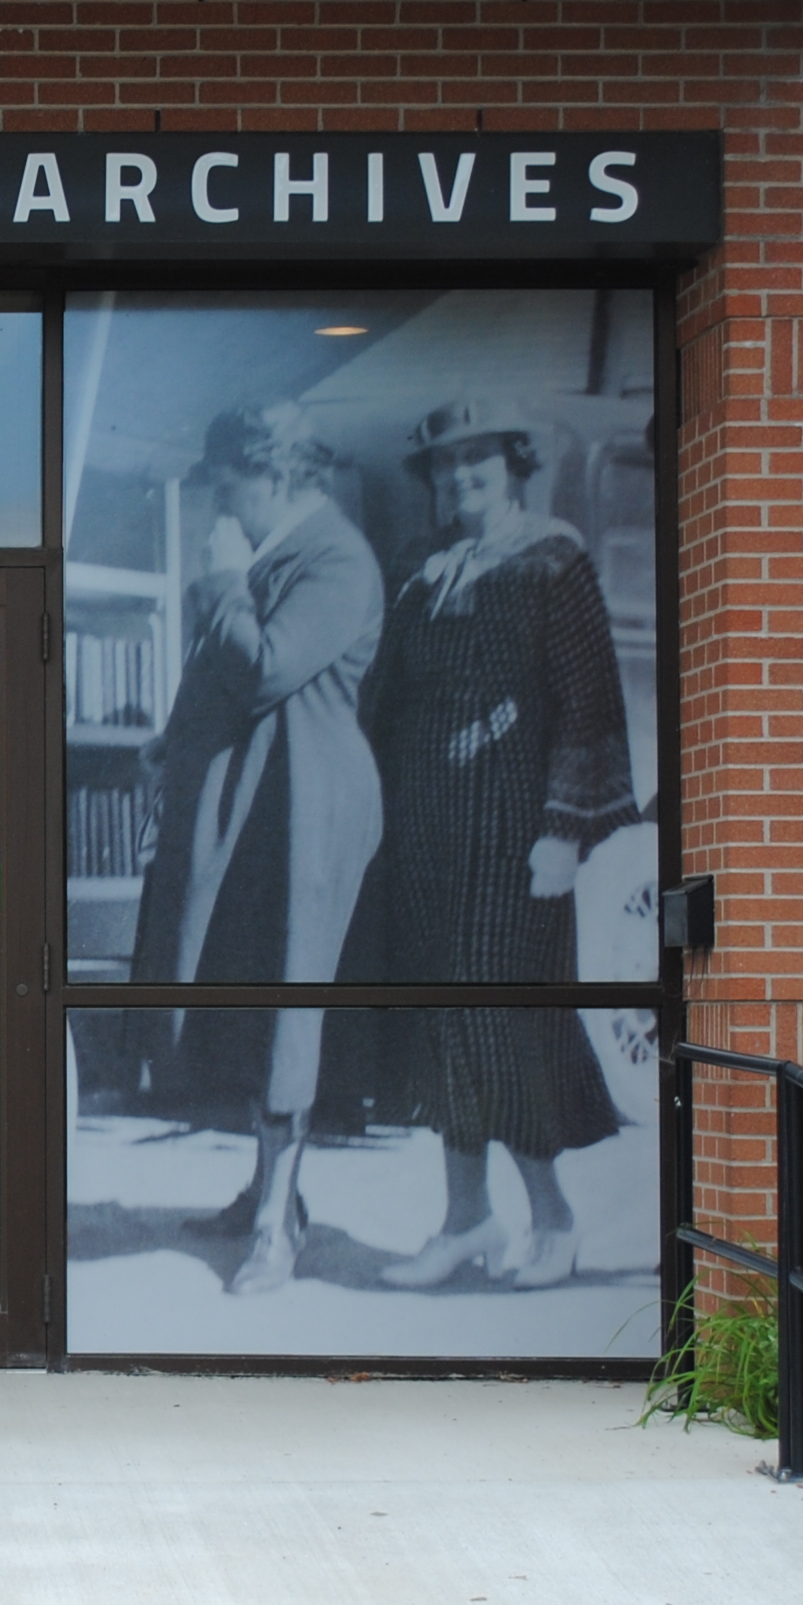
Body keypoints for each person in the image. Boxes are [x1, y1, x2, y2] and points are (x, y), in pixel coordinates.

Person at [344, 395, 639, 1291]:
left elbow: (590, 711)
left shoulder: (552, 562)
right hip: (423, 836)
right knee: (442, 1027)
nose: (460, 477)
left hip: (512, 840)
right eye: (443, 465)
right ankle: (465, 1220)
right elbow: (382, 701)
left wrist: (563, 832)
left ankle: (552, 1216)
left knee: (498, 1028)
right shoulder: (419, 568)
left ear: (513, 464)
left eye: (477, 460)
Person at [126, 403, 386, 1295]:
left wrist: (225, 583)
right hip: (250, 813)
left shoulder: (337, 557)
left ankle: (277, 1230)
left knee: (286, 1014)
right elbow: (222, 679)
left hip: (305, 816)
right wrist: (171, 741)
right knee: (240, 1004)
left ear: (273, 473)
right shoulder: (273, 556)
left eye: (229, 483)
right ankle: (269, 1196)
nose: (219, 502)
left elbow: (269, 665)